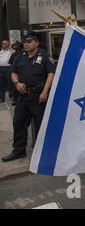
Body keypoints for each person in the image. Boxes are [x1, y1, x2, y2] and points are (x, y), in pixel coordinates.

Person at [2, 32, 55, 162]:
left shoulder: (43, 56)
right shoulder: (20, 56)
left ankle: (42, 152)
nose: (26, 44)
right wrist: (16, 83)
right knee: (18, 123)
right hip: (23, 96)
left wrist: (45, 92)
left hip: (38, 96)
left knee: (40, 125)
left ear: (36, 43)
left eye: (29, 42)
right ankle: (19, 150)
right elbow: (13, 72)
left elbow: (50, 73)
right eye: (25, 42)